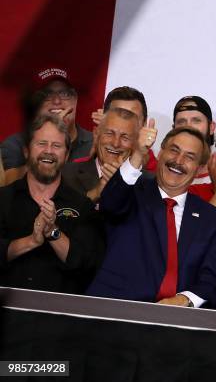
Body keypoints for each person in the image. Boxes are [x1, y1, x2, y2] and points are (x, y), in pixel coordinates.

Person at [86, 124, 216, 307]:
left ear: (199, 169)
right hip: (117, 311)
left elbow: (212, 279)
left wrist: (184, 300)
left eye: (189, 157)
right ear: (160, 153)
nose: (178, 160)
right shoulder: (131, 193)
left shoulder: (211, 218)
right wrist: (137, 154)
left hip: (176, 323)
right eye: (174, 150)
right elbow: (110, 203)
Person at [0, 114, 104, 294]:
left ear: (66, 155)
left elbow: (86, 264)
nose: (48, 150)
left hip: (60, 316)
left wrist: (53, 233)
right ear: (26, 151)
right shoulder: (3, 198)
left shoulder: (83, 207)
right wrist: (31, 241)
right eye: (41, 144)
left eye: (56, 145)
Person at [1, 67, 93, 185]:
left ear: (75, 98)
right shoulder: (16, 143)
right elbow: (12, 187)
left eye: (64, 93)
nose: (56, 101)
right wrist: (52, 132)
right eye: (47, 94)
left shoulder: (94, 143)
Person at [62, 107, 141, 203]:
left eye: (125, 138)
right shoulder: (66, 174)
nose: (116, 144)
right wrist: (97, 191)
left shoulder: (145, 185)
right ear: (96, 134)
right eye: (109, 133)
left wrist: (124, 182)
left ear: (135, 143)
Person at [90, 86, 157, 172]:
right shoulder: (73, 172)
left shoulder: (157, 175)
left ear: (144, 124)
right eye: (116, 115)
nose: (123, 124)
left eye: (132, 117)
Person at [172, 95, 216, 184]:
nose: (188, 126)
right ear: (173, 129)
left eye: (196, 120)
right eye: (181, 122)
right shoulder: (163, 172)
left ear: (211, 127)